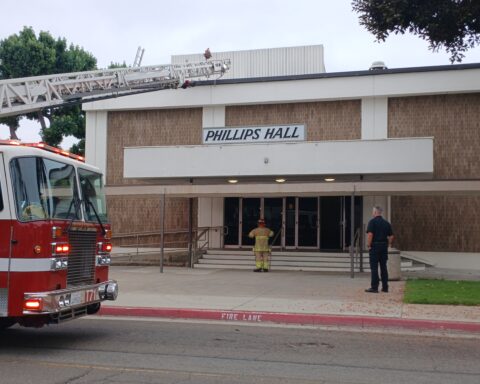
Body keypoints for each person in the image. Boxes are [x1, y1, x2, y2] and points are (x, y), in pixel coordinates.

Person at [365, 206, 394, 293]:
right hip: (383, 247)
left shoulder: (372, 222)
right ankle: (385, 287)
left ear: (375, 212)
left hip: (374, 247)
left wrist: (368, 245)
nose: (372, 213)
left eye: (373, 211)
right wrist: (388, 244)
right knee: (383, 267)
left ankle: (374, 287)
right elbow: (391, 236)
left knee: (374, 268)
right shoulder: (386, 223)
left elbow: (370, 234)